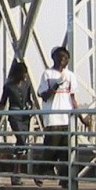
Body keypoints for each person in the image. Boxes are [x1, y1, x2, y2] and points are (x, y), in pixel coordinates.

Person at [0, 58, 37, 183]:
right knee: (22, 140)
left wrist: (32, 108)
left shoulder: (27, 85)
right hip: (14, 115)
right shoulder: (8, 86)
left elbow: (29, 100)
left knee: (22, 142)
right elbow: (3, 103)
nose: (25, 75)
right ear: (18, 74)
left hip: (25, 116)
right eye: (23, 73)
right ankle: (16, 172)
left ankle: (16, 173)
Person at [37, 46, 78, 182]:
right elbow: (43, 95)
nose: (62, 60)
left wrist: (81, 117)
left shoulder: (70, 75)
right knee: (51, 148)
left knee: (66, 151)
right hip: (52, 117)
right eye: (59, 57)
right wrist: (55, 86)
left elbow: (73, 98)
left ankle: (65, 180)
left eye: (65, 58)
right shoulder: (47, 74)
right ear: (53, 58)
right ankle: (40, 172)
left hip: (67, 118)